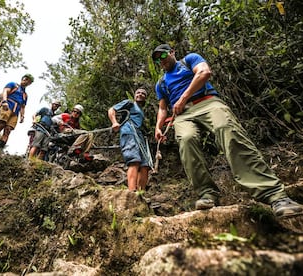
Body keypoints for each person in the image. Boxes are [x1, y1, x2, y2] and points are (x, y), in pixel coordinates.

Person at [152, 43, 303, 218]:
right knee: (186, 140)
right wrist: (158, 127)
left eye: (162, 56)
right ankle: (207, 194)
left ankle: (275, 196)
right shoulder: (161, 83)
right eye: (157, 60)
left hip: (207, 102)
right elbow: (163, 108)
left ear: (172, 52)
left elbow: (204, 72)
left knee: (227, 129)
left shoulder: (190, 60)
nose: (160, 61)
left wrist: (183, 98)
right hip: (183, 115)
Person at [108, 88, 152, 191]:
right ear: (134, 95)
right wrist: (114, 122)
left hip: (139, 135)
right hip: (129, 132)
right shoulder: (129, 103)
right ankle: (132, 192)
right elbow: (112, 110)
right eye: (138, 93)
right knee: (134, 161)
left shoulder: (141, 110)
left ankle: (141, 194)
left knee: (145, 165)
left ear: (145, 98)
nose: (140, 94)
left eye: (143, 93)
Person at [0, 74, 34, 149]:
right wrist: (4, 101)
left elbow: (23, 106)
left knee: (8, 130)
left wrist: (22, 116)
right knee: (1, 124)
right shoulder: (13, 84)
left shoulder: (25, 95)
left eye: (29, 81)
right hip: (7, 106)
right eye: (26, 79)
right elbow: (5, 92)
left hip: (16, 112)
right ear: (23, 78)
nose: (26, 81)